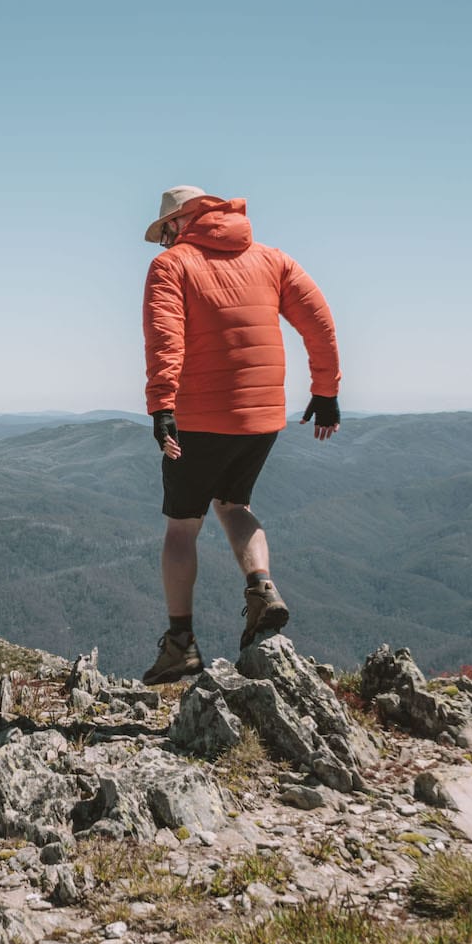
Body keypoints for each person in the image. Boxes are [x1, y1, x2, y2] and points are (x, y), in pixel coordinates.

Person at [139, 185, 342, 684]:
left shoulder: (174, 265)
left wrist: (162, 404)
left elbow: (165, 336)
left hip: (199, 416)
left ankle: (181, 643)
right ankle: (261, 588)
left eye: (164, 231)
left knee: (183, 524)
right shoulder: (271, 259)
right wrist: (326, 390)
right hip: (262, 416)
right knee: (233, 504)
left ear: (179, 223)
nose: (164, 242)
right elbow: (319, 322)